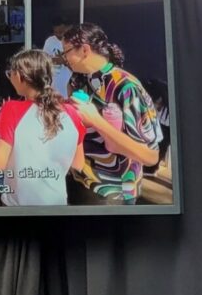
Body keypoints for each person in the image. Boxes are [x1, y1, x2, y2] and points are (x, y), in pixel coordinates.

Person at [57, 23, 161, 204]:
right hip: (80, 178)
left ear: (84, 50)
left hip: (114, 191)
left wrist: (96, 120)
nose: (64, 58)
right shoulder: (79, 80)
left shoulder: (126, 87)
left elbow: (150, 157)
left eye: (66, 52)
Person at [0, 49, 86, 207]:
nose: (10, 77)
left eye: (10, 72)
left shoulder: (11, 110)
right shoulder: (72, 112)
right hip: (57, 204)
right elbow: (78, 164)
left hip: (18, 207)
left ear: (20, 75)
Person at [42, 16, 73, 96]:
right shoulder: (49, 41)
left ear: (67, 28)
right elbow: (43, 60)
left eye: (61, 31)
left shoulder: (73, 41)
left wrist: (64, 61)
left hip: (69, 84)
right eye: (56, 32)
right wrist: (54, 60)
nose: (58, 34)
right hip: (54, 84)